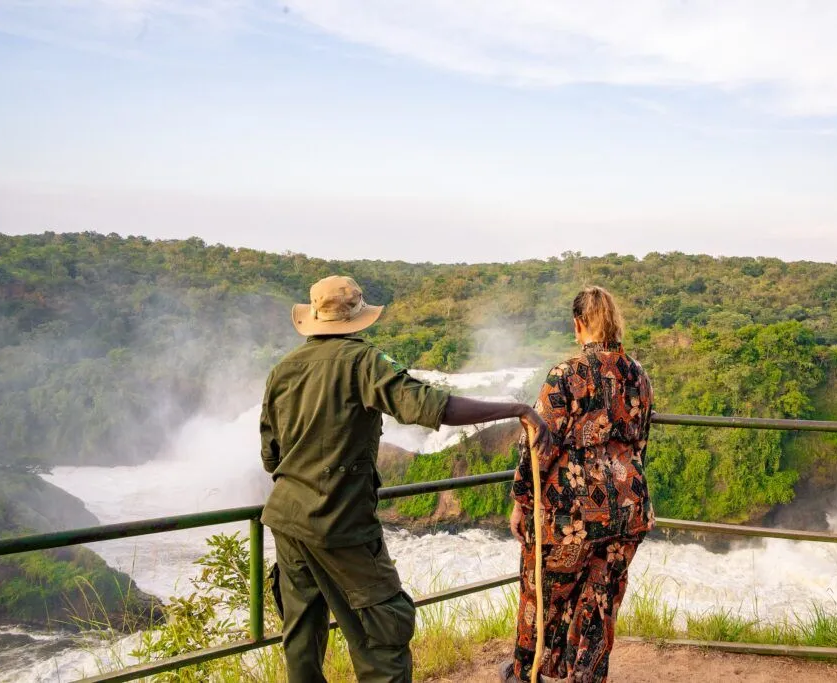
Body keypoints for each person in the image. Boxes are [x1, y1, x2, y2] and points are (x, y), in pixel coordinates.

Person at [260, 275, 548, 683]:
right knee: (383, 632)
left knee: (301, 638)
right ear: (357, 318)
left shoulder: (282, 370)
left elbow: (271, 456)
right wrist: (516, 407)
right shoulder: (362, 362)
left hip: (287, 521)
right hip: (340, 522)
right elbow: (430, 406)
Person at [501, 286, 655, 683]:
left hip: (572, 514)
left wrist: (521, 500)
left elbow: (538, 446)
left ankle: (525, 674)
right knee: (599, 603)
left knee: (543, 598)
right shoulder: (639, 375)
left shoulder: (565, 375)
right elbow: (640, 442)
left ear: (578, 324)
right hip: (628, 510)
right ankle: (586, 676)